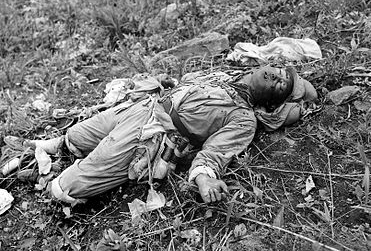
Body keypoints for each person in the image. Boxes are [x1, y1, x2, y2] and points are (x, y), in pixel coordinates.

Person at [5, 65, 317, 204]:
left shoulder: (244, 120)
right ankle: (45, 151)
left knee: (66, 188)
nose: (277, 76)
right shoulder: (223, 79)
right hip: (141, 107)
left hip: (152, 136)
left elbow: (215, 153)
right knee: (74, 138)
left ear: (271, 102)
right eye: (278, 71)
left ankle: (34, 174)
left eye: (280, 85)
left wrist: (205, 178)